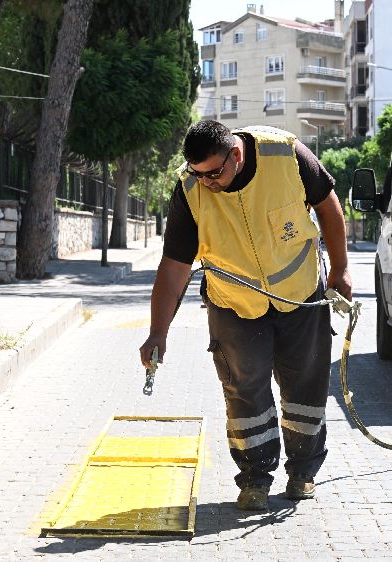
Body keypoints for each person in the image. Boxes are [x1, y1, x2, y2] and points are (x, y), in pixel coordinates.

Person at [139, 120, 351, 511]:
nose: (206, 182)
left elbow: (327, 205)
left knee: (305, 386)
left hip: (300, 296)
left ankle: (303, 472)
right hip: (234, 304)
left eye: (214, 173)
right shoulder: (190, 191)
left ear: (235, 155)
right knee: (244, 391)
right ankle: (255, 476)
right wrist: (158, 331)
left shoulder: (286, 155)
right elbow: (174, 266)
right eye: (197, 174)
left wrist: (339, 270)